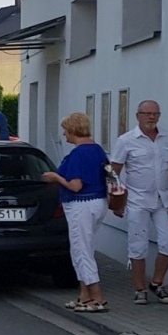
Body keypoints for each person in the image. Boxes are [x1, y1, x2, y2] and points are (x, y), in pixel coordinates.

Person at [110, 99, 168, 306]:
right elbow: (113, 173)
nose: (152, 117)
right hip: (137, 199)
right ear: (138, 116)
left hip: (163, 199)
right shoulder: (126, 140)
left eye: (155, 114)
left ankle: (157, 282)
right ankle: (139, 289)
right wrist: (116, 202)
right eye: (147, 114)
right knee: (138, 245)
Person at [43, 112, 108, 313]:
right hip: (98, 201)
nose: (64, 134)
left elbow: (75, 185)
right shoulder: (97, 150)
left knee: (82, 250)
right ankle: (84, 295)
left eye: (65, 129)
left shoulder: (79, 154)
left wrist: (56, 178)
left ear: (73, 130)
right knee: (81, 247)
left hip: (82, 204)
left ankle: (97, 297)